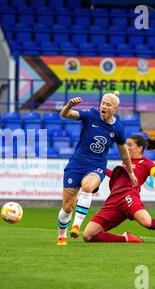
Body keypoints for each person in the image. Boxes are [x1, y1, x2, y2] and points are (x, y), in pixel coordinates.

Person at [83, 135, 155, 244]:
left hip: (128, 195)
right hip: (113, 198)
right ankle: (126, 238)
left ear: (139, 148)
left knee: (146, 222)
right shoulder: (125, 163)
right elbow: (114, 175)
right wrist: (98, 168)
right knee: (88, 235)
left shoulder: (146, 163)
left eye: (130, 145)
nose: (126, 147)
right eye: (125, 145)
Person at [57, 92, 138, 246]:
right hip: (76, 164)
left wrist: (130, 172)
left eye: (108, 104)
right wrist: (69, 106)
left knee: (87, 187)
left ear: (115, 108)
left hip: (96, 166)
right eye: (103, 103)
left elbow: (124, 153)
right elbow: (65, 114)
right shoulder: (90, 115)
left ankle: (77, 226)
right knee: (67, 207)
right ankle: (61, 236)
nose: (104, 106)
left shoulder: (118, 129)